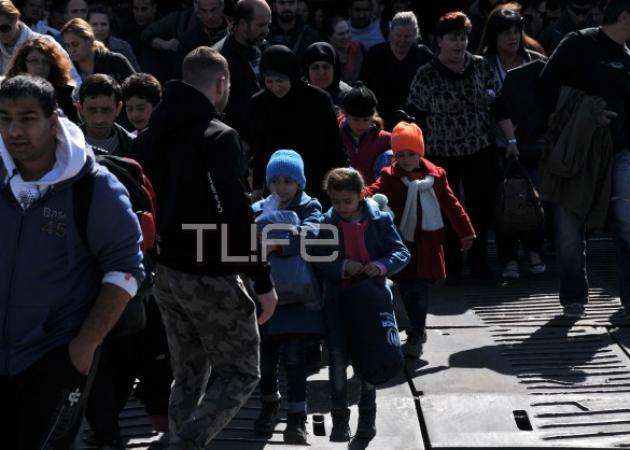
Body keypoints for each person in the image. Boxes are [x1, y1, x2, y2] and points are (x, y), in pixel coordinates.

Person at [133, 46, 278, 449]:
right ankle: (184, 444)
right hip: (209, 274)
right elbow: (236, 213)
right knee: (242, 371)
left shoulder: (149, 135)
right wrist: (262, 280)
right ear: (220, 84)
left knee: (190, 371)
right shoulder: (218, 136)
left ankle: (178, 437)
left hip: (165, 273)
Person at [0, 74, 144, 449]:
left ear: (53, 120)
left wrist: (84, 346)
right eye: (3, 117)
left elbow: (126, 270)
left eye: (27, 118)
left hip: (55, 359)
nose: (14, 130)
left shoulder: (94, 187)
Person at [406, 11, 519, 284]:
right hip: (440, 152)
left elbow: (498, 105)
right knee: (447, 209)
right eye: (452, 38)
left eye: (463, 38)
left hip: (478, 147)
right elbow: (415, 115)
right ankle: (452, 266)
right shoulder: (426, 74)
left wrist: (511, 140)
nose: (459, 44)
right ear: (440, 41)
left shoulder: (481, 66)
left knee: (480, 207)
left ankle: (480, 264)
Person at [537, 0, 630, 317]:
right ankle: (574, 296)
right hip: (576, 150)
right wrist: (587, 112)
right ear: (624, 16)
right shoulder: (578, 43)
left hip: (619, 152)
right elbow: (547, 88)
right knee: (568, 230)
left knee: (626, 224)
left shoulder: (628, 56)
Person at [366, 122, 475, 357]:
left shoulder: (436, 176)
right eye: (400, 155)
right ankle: (414, 327)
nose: (406, 160)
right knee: (404, 287)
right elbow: (373, 192)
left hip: (427, 242)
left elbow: (451, 204)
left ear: (420, 153)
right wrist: (355, 193)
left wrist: (465, 231)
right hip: (400, 243)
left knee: (420, 287)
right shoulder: (389, 176)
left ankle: (417, 331)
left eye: (411, 154)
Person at [317, 167, 410, 442]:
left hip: (371, 303)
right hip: (338, 304)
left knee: (368, 360)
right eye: (336, 202)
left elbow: (401, 252)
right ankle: (339, 419)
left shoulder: (379, 221)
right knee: (336, 359)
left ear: (360, 195)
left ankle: (367, 420)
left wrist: (381, 266)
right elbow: (319, 260)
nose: (342, 208)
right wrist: (344, 266)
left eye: (347, 201)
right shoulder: (326, 223)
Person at [251, 149, 324, 445]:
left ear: (299, 183)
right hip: (266, 292)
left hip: (297, 297)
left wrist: (277, 244)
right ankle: (269, 406)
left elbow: (313, 234)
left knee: (294, 359)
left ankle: (297, 417)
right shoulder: (258, 206)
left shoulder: (310, 206)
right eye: (275, 181)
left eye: (288, 181)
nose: (281, 187)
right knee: (266, 360)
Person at [476, 5, 547, 279]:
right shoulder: (483, 64)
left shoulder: (534, 60)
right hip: (495, 145)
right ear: (494, 35)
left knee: (533, 198)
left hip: (532, 142)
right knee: (503, 202)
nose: (512, 38)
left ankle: (535, 251)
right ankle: (508, 258)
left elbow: (546, 102)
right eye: (505, 32)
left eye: (516, 31)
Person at [250, 45, 348, 206]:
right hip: (277, 185)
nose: (275, 87)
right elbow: (259, 147)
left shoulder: (318, 100)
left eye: (280, 81)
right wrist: (258, 185)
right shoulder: (259, 103)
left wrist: (342, 180)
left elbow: (334, 144)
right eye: (269, 81)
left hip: (315, 180)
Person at [360, 10, 432, 129]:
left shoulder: (423, 56)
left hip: (415, 124)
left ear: (415, 35)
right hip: (381, 122)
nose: (402, 41)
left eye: (407, 36)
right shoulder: (375, 54)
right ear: (390, 32)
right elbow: (364, 89)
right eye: (398, 35)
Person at [213, 0, 271, 145]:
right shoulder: (220, 58)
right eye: (260, 25)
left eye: (267, 24)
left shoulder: (263, 48)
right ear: (243, 24)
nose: (266, 30)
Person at [0, 0, 80, 84]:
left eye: (4, 28)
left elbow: (74, 82)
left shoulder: (46, 43)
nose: (0, 34)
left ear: (16, 19)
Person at [5, 36, 79, 123]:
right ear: (23, 63)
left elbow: (73, 128)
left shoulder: (65, 94)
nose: (40, 66)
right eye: (34, 61)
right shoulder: (9, 93)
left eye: (46, 62)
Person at [339, 82, 391, 185]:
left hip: (375, 197)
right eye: (356, 119)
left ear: (373, 116)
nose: (360, 124)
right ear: (345, 115)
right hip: (344, 197)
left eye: (366, 120)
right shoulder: (335, 137)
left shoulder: (387, 140)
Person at [61, 18, 136, 83]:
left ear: (89, 40)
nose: (72, 50)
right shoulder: (68, 69)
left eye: (75, 44)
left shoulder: (115, 61)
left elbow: (137, 88)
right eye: (68, 45)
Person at [78, 73, 135, 156]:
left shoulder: (136, 146)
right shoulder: (65, 147)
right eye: (92, 110)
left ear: (118, 108)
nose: (99, 120)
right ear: (80, 108)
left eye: (106, 110)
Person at [174, 0, 229, 77]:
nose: (209, 16)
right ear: (197, 9)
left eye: (213, 10)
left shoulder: (237, 31)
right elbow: (181, 72)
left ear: (222, 6)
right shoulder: (189, 39)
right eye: (204, 11)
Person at [87, 4, 141, 71]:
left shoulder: (123, 48)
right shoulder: (79, 47)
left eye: (104, 24)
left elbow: (137, 75)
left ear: (109, 26)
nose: (100, 29)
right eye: (95, 24)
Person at [303, 41, 351, 110]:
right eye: (315, 67)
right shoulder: (298, 97)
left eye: (326, 67)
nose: (321, 72)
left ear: (334, 69)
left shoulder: (349, 97)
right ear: (307, 71)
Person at [325, 16, 365, 85]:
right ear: (329, 37)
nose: (346, 36)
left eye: (348, 32)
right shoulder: (324, 55)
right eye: (341, 34)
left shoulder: (359, 49)